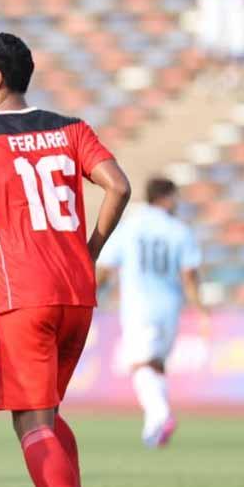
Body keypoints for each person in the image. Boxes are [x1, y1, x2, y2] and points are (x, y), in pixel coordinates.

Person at [0, 33, 132, 487]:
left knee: (30, 420)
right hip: (78, 293)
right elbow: (119, 187)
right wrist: (91, 249)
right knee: (47, 413)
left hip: (23, 297)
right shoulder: (71, 128)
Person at [97, 177, 206, 447]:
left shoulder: (130, 227)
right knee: (155, 364)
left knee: (139, 364)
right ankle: (153, 428)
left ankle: (160, 415)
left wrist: (90, 294)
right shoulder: (180, 230)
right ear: (166, 198)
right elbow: (190, 275)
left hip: (139, 305)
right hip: (170, 306)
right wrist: (200, 309)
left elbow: (107, 266)